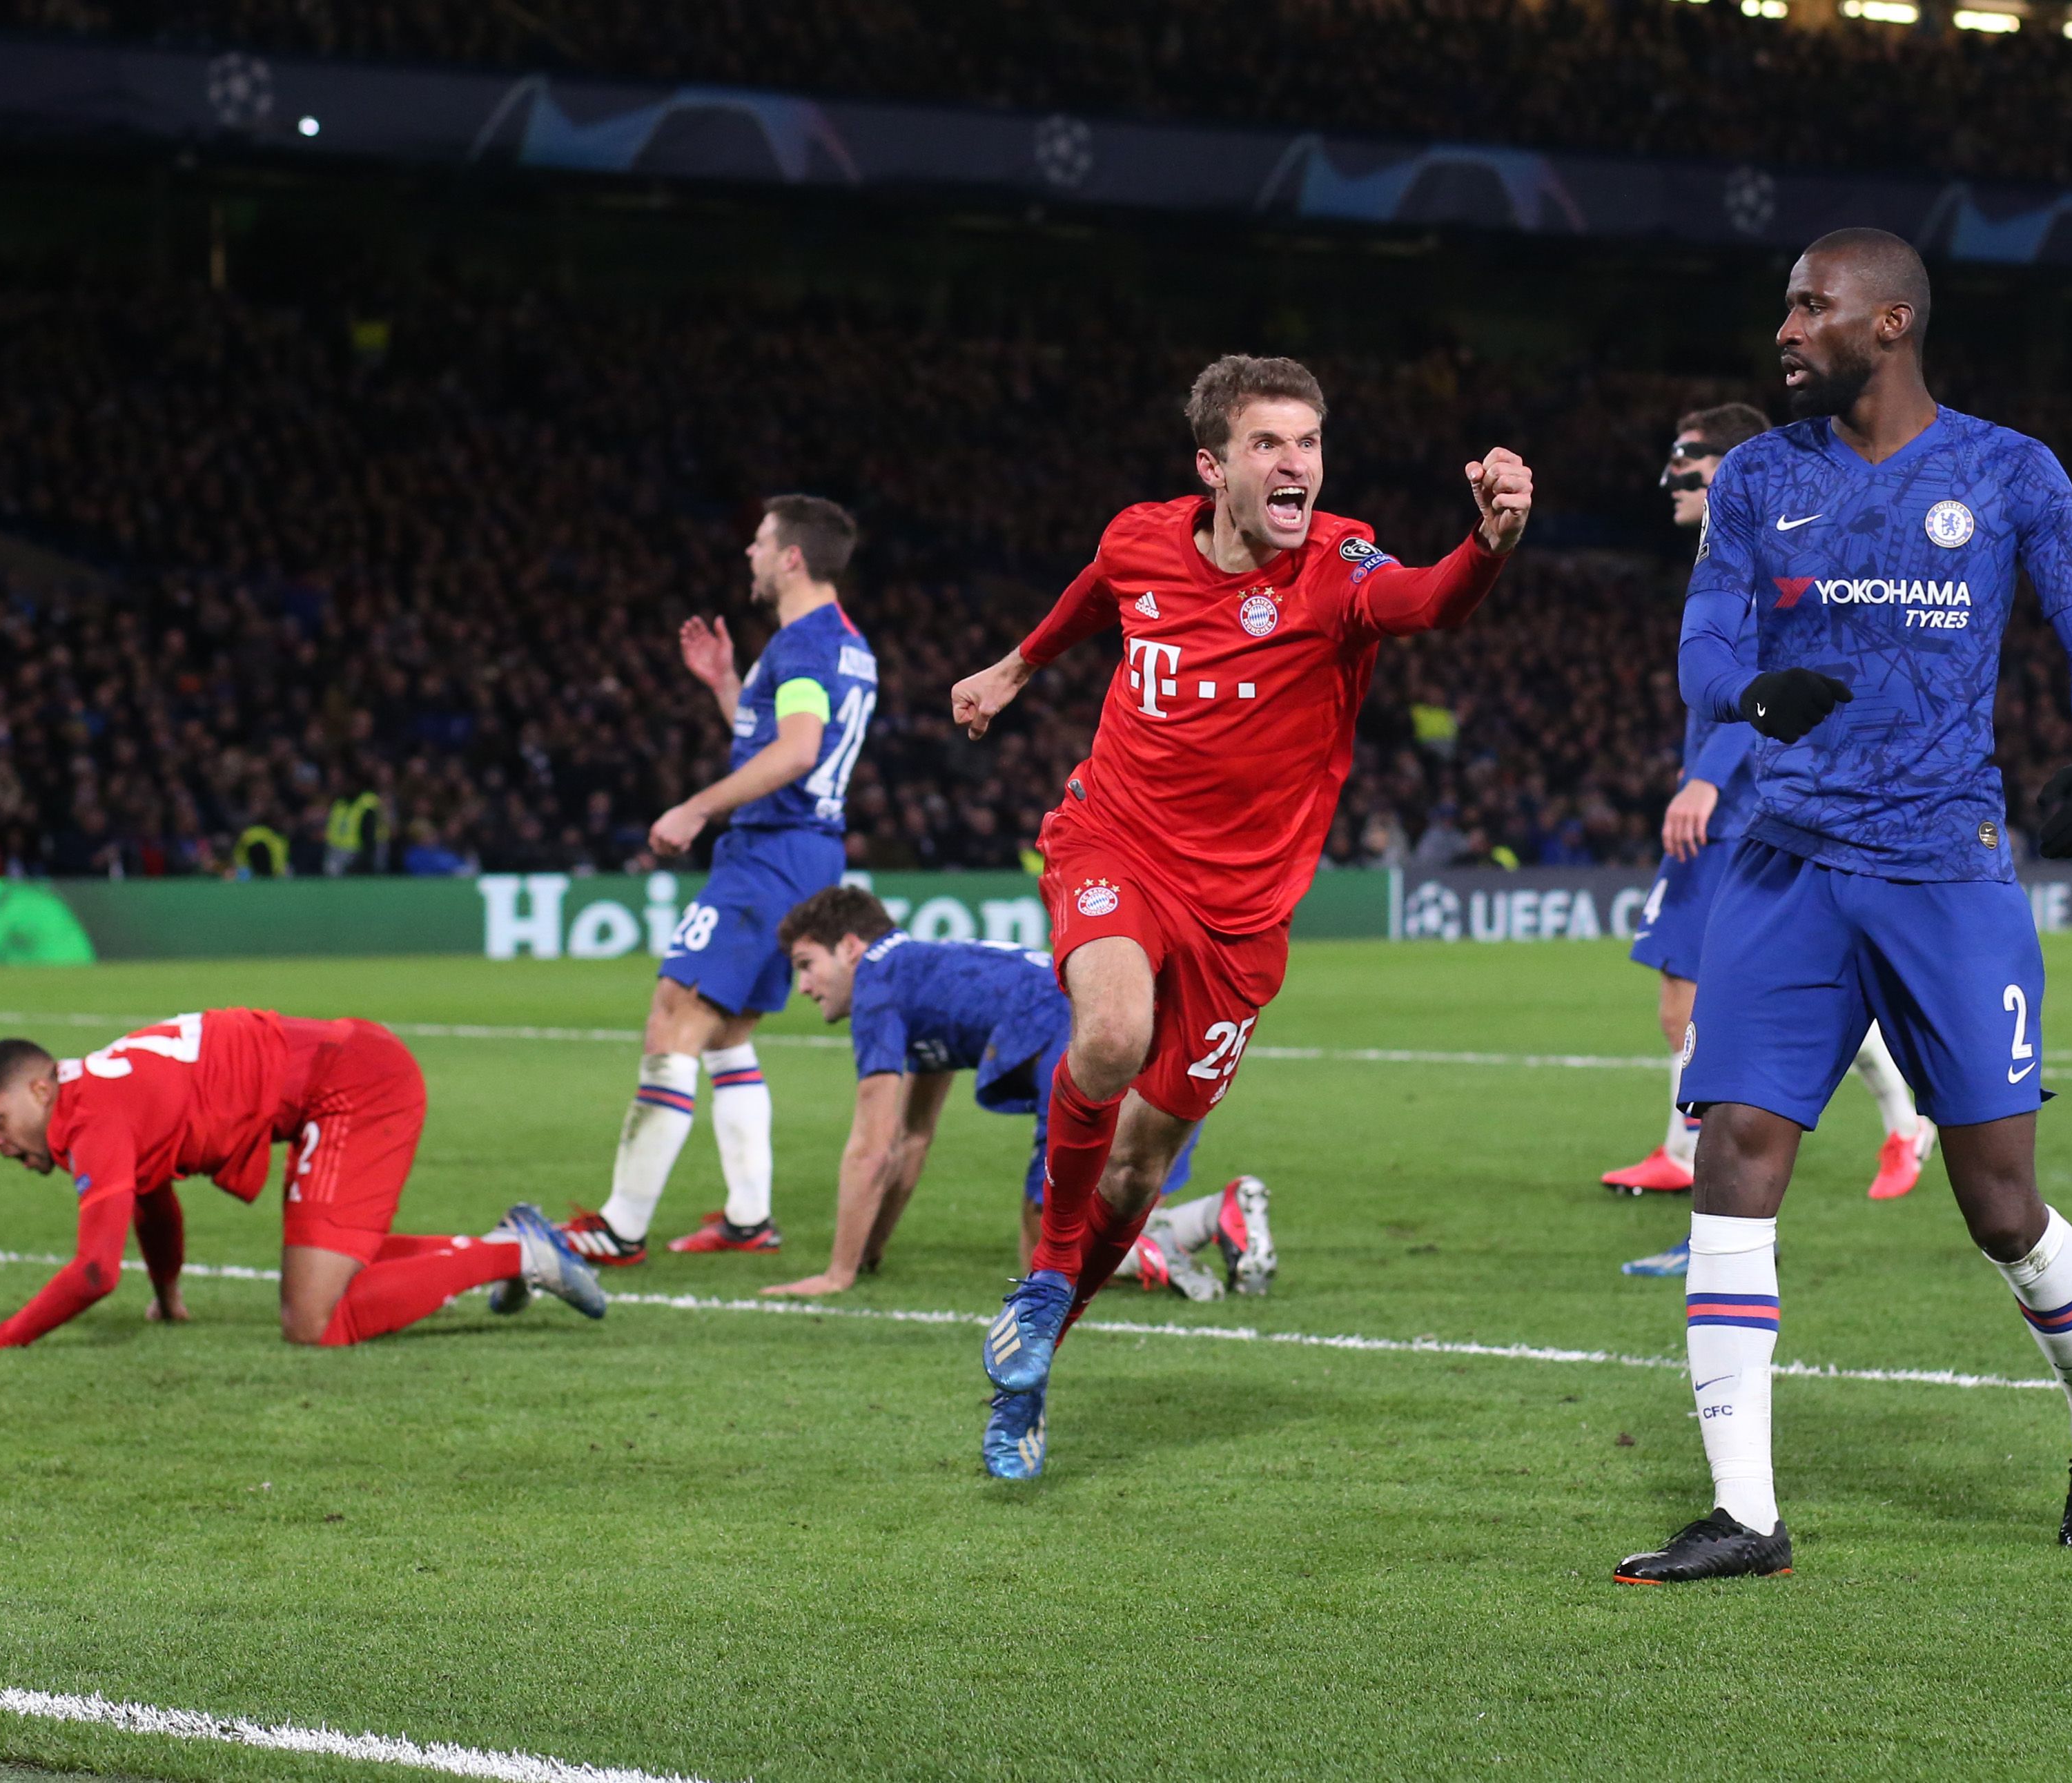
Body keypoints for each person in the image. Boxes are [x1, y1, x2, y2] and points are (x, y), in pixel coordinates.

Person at [1614, 229, 2072, 1583]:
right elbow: (1704, 641)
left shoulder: (2007, 470)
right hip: (1784, 866)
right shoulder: (1756, 477)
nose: (1784, 330)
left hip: (1943, 872)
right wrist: (1745, 695)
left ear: (1890, 322)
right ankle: (1743, 1513)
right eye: (1783, 306)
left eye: (1812, 307)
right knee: (1734, 1155)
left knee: (1999, 1204)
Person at [948, 353, 1532, 1479]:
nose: (1294, 462)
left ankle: (1036, 1360)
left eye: (1307, 442)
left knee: (1140, 1168)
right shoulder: (1140, 538)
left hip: (1242, 919)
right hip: (1114, 840)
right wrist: (1017, 667)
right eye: (1268, 443)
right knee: (1108, 1033)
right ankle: (1046, 1271)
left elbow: (1423, 600)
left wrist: (1488, 543)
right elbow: (1097, 590)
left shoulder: (1338, 565)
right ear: (1212, 467)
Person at [1610, 403, 1937, 1278]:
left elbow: (1763, 680)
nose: (1670, 477)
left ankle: (1713, 1200)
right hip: (1736, 808)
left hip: (1740, 813)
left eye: (1686, 459)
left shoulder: (1764, 552)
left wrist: (1708, 778)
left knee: (1706, 1009)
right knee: (1723, 1002)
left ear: (1729, 468)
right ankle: (1891, 1122)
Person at [559, 496, 877, 1267]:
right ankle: (748, 1218)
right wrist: (726, 685)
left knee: (675, 1016)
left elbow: (797, 750)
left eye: (760, 542)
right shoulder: (844, 643)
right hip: (806, 855)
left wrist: (696, 806)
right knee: (727, 1034)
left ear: (792, 558)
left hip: (768, 858)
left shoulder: (803, 644)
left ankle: (620, 1227)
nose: (750, 554)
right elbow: (785, 737)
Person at [0, 1011, 605, 1350]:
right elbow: (152, 1201)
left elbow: (94, 1271)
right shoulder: (94, 1095)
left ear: (41, 1088)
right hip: (341, 1076)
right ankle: (506, 1244)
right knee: (324, 1279)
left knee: (314, 1321)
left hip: (353, 1087)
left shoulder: (91, 1119)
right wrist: (168, 1297)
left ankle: (520, 1252)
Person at [762, 885, 1276, 1323]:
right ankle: (1215, 1215)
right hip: (1138, 1031)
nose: (803, 986)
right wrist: (870, 1252)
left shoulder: (878, 982)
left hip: (1077, 1041)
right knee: (1099, 1217)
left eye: (807, 965)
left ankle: (1173, 1240)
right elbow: (912, 1139)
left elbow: (871, 1150)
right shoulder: (922, 973)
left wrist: (838, 1274)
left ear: (851, 947)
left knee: (1050, 1265)